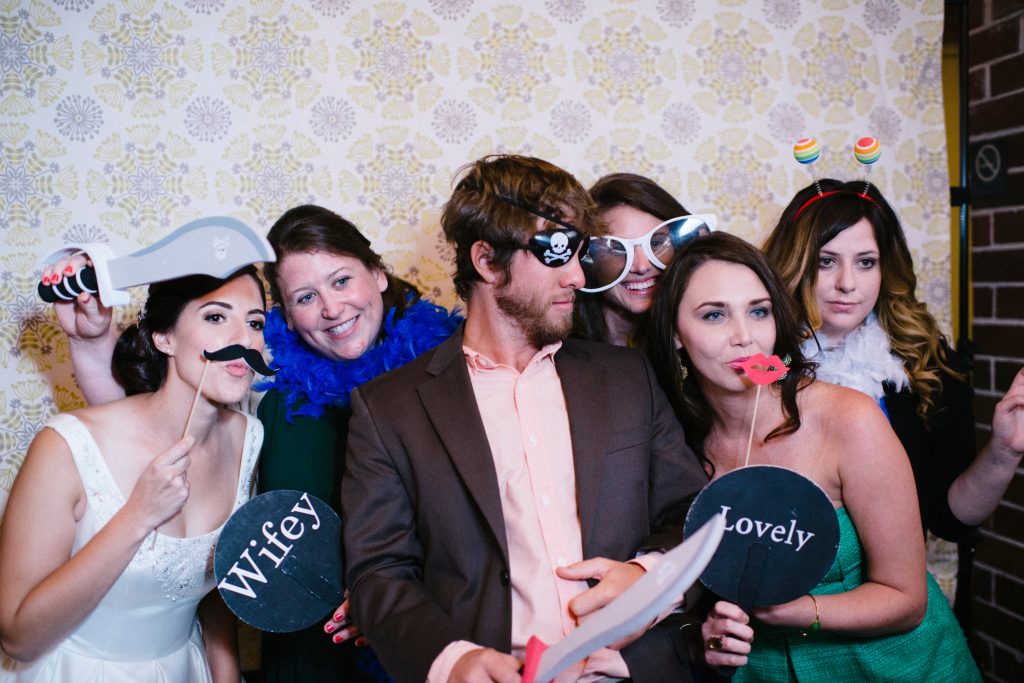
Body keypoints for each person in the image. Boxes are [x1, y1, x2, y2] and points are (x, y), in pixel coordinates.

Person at [36, 205, 462, 682]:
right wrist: (92, 340)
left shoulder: (448, 372)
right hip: (309, 656)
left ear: (378, 274)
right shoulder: (262, 387)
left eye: (342, 281)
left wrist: (387, 602)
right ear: (287, 317)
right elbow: (147, 429)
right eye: (305, 297)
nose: (331, 308)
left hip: (428, 637)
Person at [341, 155, 708, 683]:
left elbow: (692, 511)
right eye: (556, 252)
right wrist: (454, 661)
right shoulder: (388, 410)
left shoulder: (628, 378)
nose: (578, 276)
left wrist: (647, 575)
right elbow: (379, 572)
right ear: (488, 262)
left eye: (580, 253)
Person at [647, 232, 979, 682]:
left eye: (759, 311)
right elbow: (687, 595)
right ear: (675, 334)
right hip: (759, 673)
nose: (744, 337)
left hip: (893, 667)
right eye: (714, 315)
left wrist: (796, 610)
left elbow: (907, 600)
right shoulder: (676, 442)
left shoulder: (848, 419)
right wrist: (703, 636)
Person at [762, 180, 1024, 609]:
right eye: (826, 261)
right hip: (776, 592)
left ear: (887, 269)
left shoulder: (926, 364)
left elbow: (950, 520)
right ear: (796, 263)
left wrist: (1004, 451)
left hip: (889, 601)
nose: (847, 283)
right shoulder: (760, 362)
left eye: (866, 262)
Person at [0, 266, 267, 682]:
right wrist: (139, 515)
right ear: (164, 337)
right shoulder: (66, 445)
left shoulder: (249, 438)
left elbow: (214, 591)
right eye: (216, 317)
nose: (244, 339)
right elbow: (18, 638)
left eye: (255, 323)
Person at [574, 173, 711, 346]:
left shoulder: (699, 342)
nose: (642, 266)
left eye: (655, 243)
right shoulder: (560, 350)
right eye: (618, 248)